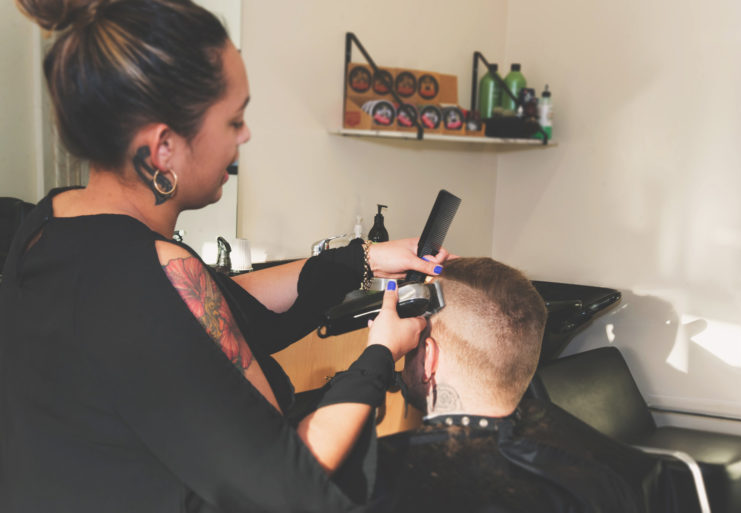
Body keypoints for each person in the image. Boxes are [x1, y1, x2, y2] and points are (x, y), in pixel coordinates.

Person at [0, 1, 449, 512]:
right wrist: (380, 353)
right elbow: (290, 482)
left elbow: (221, 311)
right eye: (234, 119)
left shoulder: (48, 223)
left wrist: (364, 258)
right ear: (162, 148)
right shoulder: (150, 275)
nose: (246, 134)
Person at [372, 258, 678, 513]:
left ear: (428, 360)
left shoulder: (376, 480)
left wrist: (374, 362)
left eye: (412, 348)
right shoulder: (618, 470)